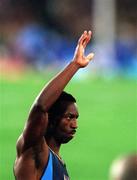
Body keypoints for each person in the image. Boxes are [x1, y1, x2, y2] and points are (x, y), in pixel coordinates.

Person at [14, 31, 94, 180]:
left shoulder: (58, 162)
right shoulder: (34, 150)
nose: (75, 125)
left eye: (76, 118)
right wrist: (75, 65)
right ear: (50, 118)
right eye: (69, 117)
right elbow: (40, 107)